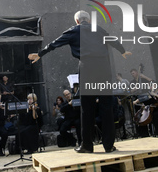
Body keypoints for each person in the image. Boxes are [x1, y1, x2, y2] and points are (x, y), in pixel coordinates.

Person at [28, 10, 132, 153]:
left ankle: (87, 146)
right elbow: (113, 40)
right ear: (88, 20)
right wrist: (123, 51)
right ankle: (109, 146)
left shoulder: (74, 30)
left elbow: (54, 43)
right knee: (106, 108)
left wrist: (40, 54)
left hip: (88, 68)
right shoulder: (99, 29)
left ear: (77, 21)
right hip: (104, 69)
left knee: (86, 108)